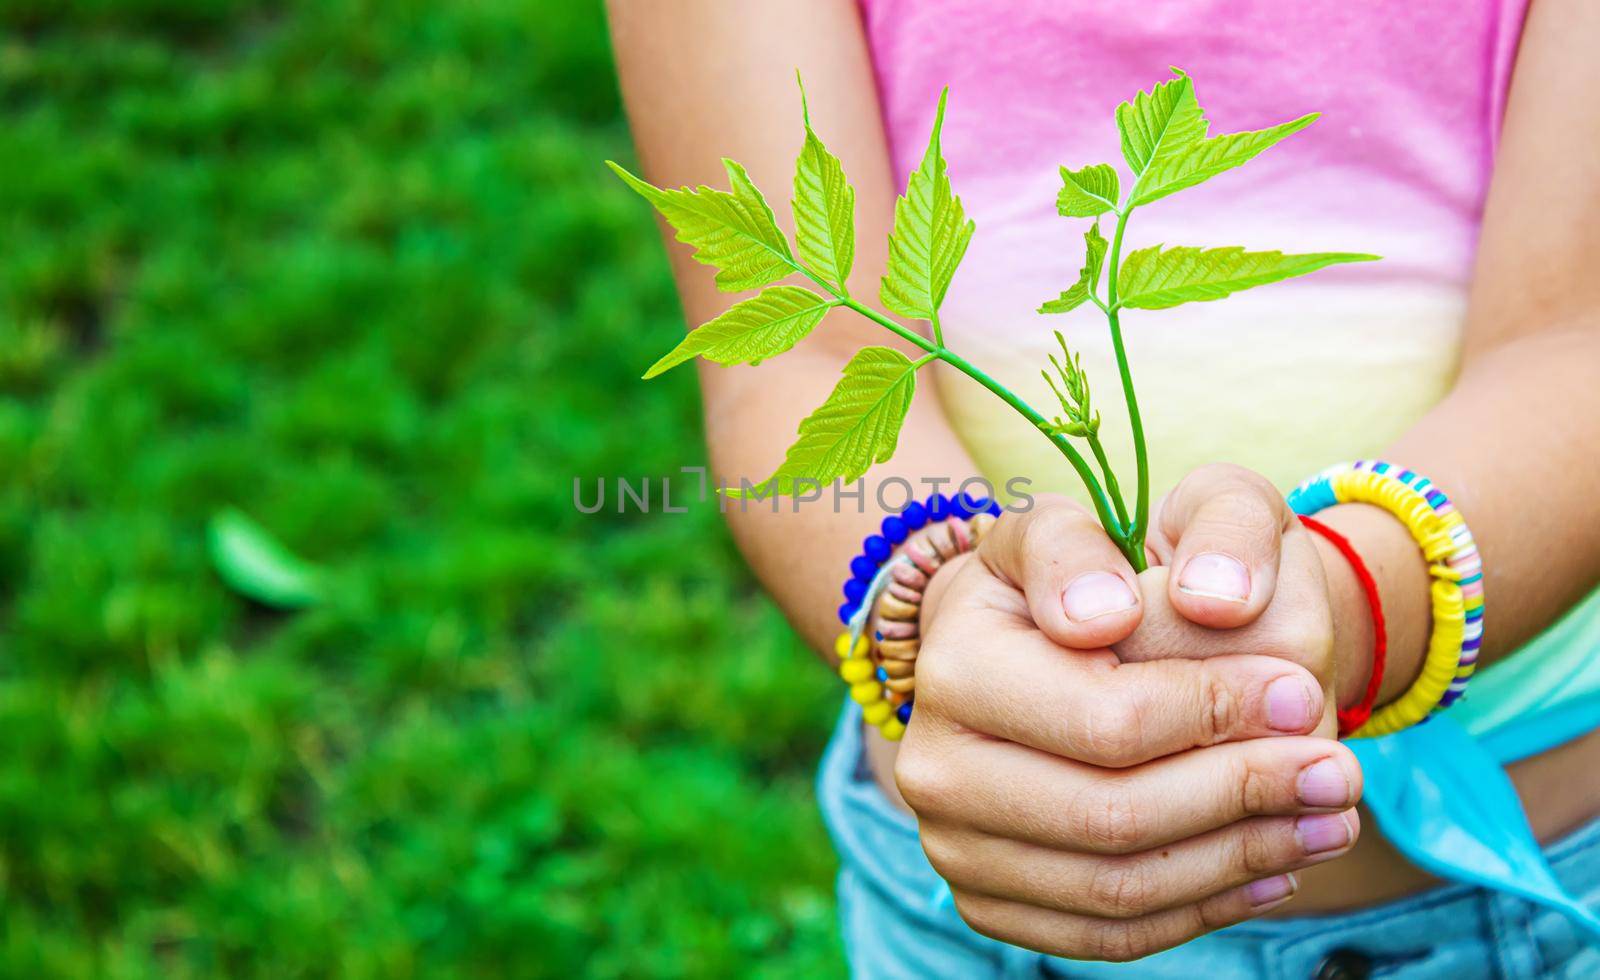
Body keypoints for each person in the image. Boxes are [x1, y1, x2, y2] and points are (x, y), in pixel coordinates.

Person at [606, 0, 1600, 974]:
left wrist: (1352, 601)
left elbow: (1575, 348)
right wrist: (932, 607)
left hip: (1525, 893)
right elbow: (802, 357)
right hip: (967, 906)